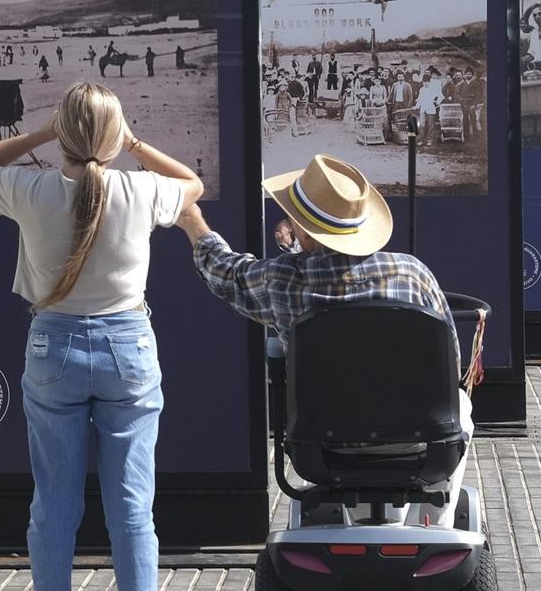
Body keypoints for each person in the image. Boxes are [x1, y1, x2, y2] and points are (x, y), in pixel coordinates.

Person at [0, 82, 203, 591]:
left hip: (53, 345)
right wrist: (135, 144)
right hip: (128, 346)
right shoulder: (141, 189)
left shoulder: (33, 188)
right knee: (131, 505)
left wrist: (46, 133)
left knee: (54, 503)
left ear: (64, 135)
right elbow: (194, 185)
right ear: (115, 137)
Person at [179, 154, 474, 523]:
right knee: (461, 404)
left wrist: (193, 222)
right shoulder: (414, 274)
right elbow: (451, 365)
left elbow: (227, 273)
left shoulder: (282, 280)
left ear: (304, 232)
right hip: (417, 444)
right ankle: (433, 525)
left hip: (323, 448)